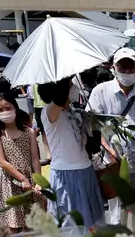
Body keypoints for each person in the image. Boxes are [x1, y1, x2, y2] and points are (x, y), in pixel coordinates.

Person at [38, 77, 104, 227]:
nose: (74, 87)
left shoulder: (73, 111)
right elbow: (59, 101)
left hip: (86, 171)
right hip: (66, 176)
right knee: (72, 226)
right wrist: (64, 81)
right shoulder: (49, 112)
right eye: (70, 85)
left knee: (93, 224)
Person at [87, 47, 135, 186]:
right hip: (113, 164)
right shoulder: (100, 92)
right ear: (114, 67)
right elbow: (92, 125)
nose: (127, 71)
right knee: (117, 206)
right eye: (122, 67)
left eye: (131, 66)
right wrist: (109, 150)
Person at [0, 94, 44, 233]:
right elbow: (1, 161)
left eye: (8, 108)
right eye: (0, 110)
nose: (5, 112)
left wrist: (38, 180)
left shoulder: (29, 132)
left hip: (30, 179)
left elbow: (34, 158)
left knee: (33, 222)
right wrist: (22, 178)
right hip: (9, 181)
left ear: (15, 108)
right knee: (13, 223)